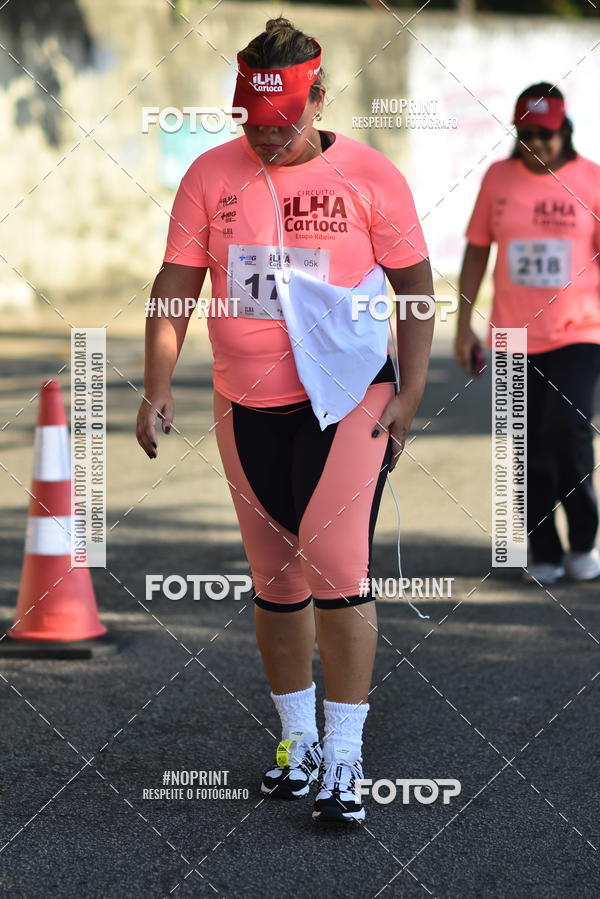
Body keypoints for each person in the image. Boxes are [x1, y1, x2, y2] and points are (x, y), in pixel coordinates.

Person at [137, 17, 434, 823]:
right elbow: (175, 284)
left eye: (282, 122)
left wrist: (410, 392)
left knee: (335, 567)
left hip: (348, 398)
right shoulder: (210, 175)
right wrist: (157, 383)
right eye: (253, 123)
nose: (266, 137)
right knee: (275, 578)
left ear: (319, 99)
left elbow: (415, 287)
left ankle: (345, 756)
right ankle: (298, 742)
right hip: (245, 403)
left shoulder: (370, 176)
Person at [455, 83, 600, 585]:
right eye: (527, 134)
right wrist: (464, 327)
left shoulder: (591, 180)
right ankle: (544, 549)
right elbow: (477, 249)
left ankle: (583, 539)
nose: (536, 144)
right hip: (514, 336)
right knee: (527, 444)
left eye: (546, 134)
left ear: (566, 131)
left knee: (568, 430)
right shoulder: (498, 178)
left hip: (580, 331)